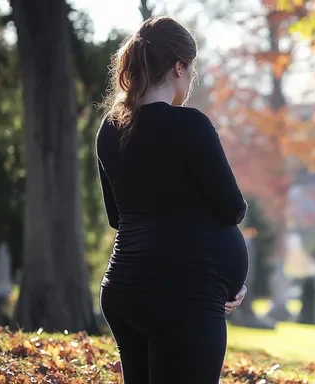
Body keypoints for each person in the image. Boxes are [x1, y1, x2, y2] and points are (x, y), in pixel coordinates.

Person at [96, 16, 249, 384]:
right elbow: (233, 208)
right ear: (179, 66)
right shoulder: (190, 126)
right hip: (182, 298)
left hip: (126, 290)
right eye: (190, 68)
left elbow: (118, 217)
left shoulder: (110, 129)